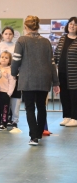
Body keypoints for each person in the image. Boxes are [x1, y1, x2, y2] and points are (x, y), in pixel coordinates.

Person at [11, 15, 60, 146]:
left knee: (30, 108)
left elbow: (16, 60)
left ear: (25, 27)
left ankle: (34, 137)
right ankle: (39, 133)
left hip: (27, 79)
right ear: (37, 26)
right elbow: (52, 63)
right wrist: (56, 82)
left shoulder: (22, 40)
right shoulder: (46, 42)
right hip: (44, 78)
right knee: (41, 107)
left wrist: (13, 73)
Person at [0, 26, 21, 129]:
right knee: (1, 102)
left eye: (10, 34)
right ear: (2, 35)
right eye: (6, 33)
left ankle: (14, 120)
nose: (8, 36)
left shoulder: (17, 46)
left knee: (15, 100)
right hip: (1, 77)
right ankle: (0, 120)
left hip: (14, 75)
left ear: (13, 35)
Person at [54, 17, 77, 127]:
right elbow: (57, 53)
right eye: (70, 24)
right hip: (62, 72)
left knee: (74, 96)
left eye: (75, 24)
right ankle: (66, 116)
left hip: (74, 74)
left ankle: (75, 117)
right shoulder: (63, 38)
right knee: (64, 95)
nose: (72, 26)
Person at [0, 51, 16, 130]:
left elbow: (12, 82)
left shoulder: (10, 70)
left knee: (4, 108)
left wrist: (9, 93)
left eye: (6, 58)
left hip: (5, 93)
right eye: (2, 57)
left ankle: (4, 123)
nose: (4, 59)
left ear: (9, 60)